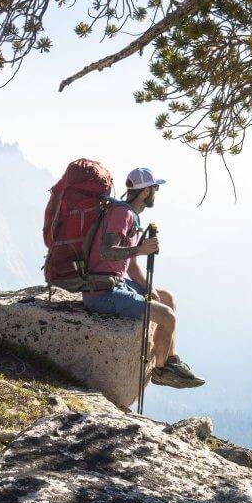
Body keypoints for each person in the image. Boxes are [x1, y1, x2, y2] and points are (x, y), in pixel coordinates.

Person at [82, 167, 205, 389]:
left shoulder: (131, 216)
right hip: (102, 293)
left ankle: (171, 360)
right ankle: (160, 372)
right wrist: (140, 249)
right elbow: (106, 252)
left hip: (114, 283)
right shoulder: (123, 214)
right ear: (146, 191)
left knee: (166, 298)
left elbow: (131, 268)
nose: (156, 192)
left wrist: (149, 288)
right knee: (167, 316)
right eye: (155, 188)